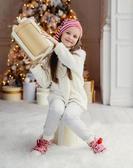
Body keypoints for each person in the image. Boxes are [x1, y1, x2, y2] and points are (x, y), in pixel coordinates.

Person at [30, 19, 106, 155]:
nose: (71, 37)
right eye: (68, 33)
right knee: (56, 108)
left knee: (69, 116)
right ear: (61, 33)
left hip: (75, 97)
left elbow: (70, 62)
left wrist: (56, 44)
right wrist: (35, 66)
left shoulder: (79, 54)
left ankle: (92, 140)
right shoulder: (51, 56)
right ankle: (45, 139)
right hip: (58, 94)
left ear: (78, 40)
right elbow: (45, 82)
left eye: (75, 36)